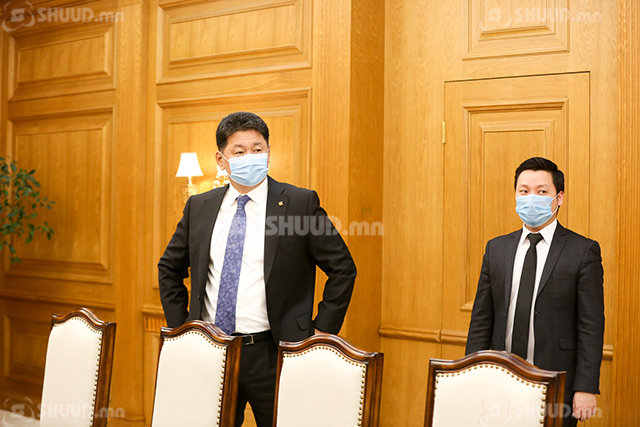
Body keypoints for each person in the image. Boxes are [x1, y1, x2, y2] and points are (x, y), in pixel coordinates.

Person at [158, 111, 357, 426]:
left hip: (274, 352)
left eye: (257, 149)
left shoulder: (298, 204)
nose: (250, 157)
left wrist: (322, 330)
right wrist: (183, 328)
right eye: (239, 151)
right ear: (222, 160)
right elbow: (169, 268)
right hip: (211, 351)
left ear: (268, 153)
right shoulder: (200, 206)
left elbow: (343, 268)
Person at [465, 157, 604, 426]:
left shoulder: (582, 251)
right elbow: (481, 319)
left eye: (542, 191)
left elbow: (591, 325)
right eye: (524, 191)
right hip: (499, 378)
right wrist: (470, 374)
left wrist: (586, 387)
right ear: (515, 195)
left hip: (555, 379)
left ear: (559, 197)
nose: (531, 198)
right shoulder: (496, 249)